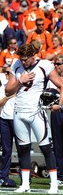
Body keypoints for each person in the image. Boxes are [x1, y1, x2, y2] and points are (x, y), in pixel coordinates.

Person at [5, 43, 63, 194]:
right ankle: (25, 184)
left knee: (46, 149)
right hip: (18, 111)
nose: (23, 62)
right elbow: (7, 91)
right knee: (23, 149)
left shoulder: (44, 65)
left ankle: (54, 185)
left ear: (33, 56)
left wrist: (60, 105)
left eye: (26, 59)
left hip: (37, 112)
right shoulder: (16, 65)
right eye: (21, 59)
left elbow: (61, 84)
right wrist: (20, 81)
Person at [0, 67, 17, 186]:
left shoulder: (20, 86)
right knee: (6, 150)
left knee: (22, 149)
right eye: (6, 72)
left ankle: (25, 177)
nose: (7, 74)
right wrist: (8, 97)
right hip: (5, 119)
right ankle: (3, 176)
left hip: (18, 119)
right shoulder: (3, 87)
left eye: (9, 72)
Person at [48, 54, 63, 187]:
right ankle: (59, 175)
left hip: (61, 109)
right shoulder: (51, 79)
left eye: (59, 64)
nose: (56, 66)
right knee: (57, 145)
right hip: (56, 113)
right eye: (55, 64)